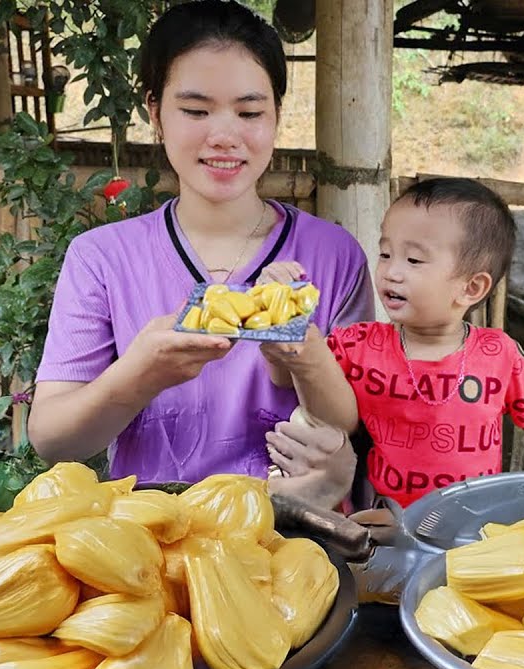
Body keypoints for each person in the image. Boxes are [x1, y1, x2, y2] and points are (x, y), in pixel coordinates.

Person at [28, 0, 373, 489]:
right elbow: (53, 440)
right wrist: (141, 375)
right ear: (155, 111)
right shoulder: (101, 258)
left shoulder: (335, 256)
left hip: (296, 542)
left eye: (250, 111)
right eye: (195, 110)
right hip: (154, 544)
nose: (225, 136)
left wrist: (310, 374)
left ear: (276, 113)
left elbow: (362, 422)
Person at [263, 177, 524, 509]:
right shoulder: (358, 344)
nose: (391, 272)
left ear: (471, 288)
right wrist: (285, 322)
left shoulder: (498, 353)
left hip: (475, 523)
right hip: (385, 525)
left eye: (413, 260)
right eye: (385, 254)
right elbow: (286, 377)